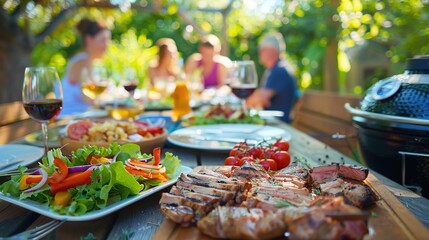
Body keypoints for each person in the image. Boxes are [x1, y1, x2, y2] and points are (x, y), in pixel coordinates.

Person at [60, 18, 111, 116]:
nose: (106, 45)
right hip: (71, 118)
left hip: (82, 115)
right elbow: (89, 99)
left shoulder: (84, 60)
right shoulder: (83, 61)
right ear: (89, 39)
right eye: (103, 40)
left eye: (108, 40)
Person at [246, 31, 298, 123]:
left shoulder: (280, 70)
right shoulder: (274, 69)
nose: (260, 53)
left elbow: (259, 98)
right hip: (272, 120)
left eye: (262, 50)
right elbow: (259, 98)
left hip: (279, 122)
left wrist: (259, 98)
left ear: (273, 51)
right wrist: (259, 98)